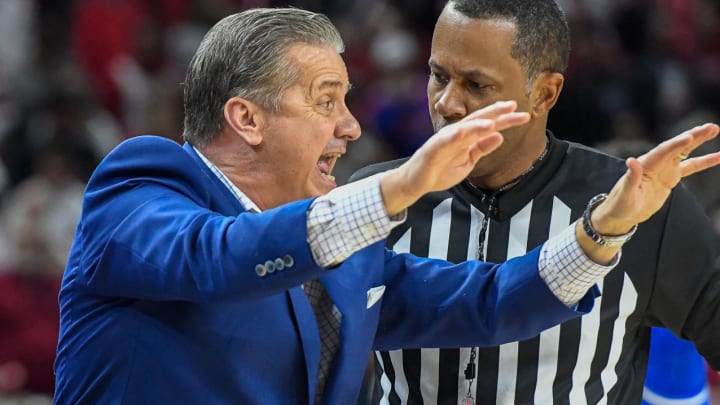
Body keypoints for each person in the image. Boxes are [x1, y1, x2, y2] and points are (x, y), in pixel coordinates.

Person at [53, 7, 720, 405]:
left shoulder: (350, 261)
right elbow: (217, 257)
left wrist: (604, 229)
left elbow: (489, 301)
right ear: (246, 118)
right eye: (324, 100)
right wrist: (397, 188)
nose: (349, 127)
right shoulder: (144, 184)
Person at [352, 1, 720, 404]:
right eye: (439, 76)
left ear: (544, 93)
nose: (447, 104)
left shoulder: (635, 203)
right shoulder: (378, 196)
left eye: (476, 85)